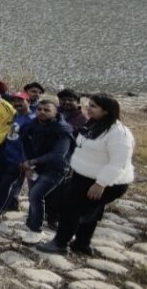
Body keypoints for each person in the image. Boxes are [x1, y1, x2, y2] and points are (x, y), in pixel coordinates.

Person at [36, 94, 135, 255]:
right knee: (91, 211)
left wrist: (101, 184)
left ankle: (60, 243)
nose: (88, 108)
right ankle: (82, 244)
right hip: (84, 176)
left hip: (107, 181)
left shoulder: (118, 133)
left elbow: (119, 162)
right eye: (89, 105)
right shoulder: (93, 124)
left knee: (71, 209)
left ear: (107, 111)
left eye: (93, 106)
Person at [0, 97, 73, 243]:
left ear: (56, 112)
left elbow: (58, 154)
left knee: (36, 195)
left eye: (47, 110)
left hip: (55, 168)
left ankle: (36, 230)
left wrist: (32, 162)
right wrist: (27, 164)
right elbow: (24, 145)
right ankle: (30, 224)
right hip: (34, 166)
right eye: (39, 109)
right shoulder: (31, 126)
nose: (42, 112)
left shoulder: (62, 130)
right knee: (33, 195)